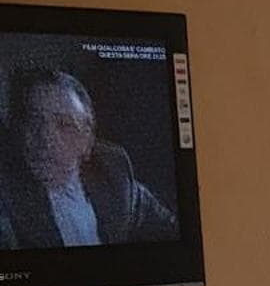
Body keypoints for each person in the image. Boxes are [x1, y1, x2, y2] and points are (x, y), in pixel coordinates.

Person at [0, 67, 176, 251]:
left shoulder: (112, 168)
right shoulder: (7, 193)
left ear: (87, 140)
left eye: (65, 124)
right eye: (35, 121)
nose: (45, 138)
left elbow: (171, 230)